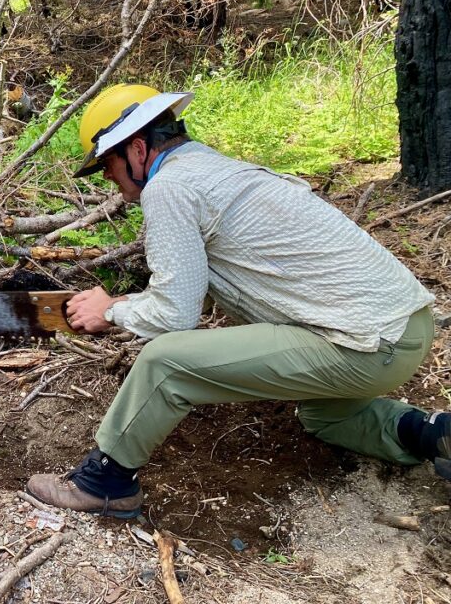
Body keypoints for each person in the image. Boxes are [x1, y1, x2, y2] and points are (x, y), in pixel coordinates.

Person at [26, 84, 448, 518]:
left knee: (164, 361)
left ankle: (105, 482)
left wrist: (112, 311)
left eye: (107, 164)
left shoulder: (169, 187)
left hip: (366, 346)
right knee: (327, 417)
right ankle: (432, 433)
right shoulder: (211, 169)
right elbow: (184, 288)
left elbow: (175, 315)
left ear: (137, 150)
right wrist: (118, 302)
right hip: (408, 330)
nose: (107, 178)